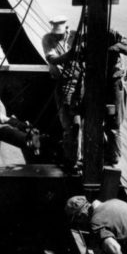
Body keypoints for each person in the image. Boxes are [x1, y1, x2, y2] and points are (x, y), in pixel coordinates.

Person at [42, 15, 81, 171]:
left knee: (79, 124)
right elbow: (53, 59)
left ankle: (77, 157)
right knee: (69, 124)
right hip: (63, 84)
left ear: (67, 28)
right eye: (56, 33)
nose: (58, 36)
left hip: (79, 82)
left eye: (61, 33)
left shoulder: (75, 36)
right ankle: (70, 159)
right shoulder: (48, 39)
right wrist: (72, 54)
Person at [104, 28, 127, 166]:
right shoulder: (87, 35)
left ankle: (114, 156)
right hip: (98, 81)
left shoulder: (113, 34)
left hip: (114, 82)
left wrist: (116, 47)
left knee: (114, 123)